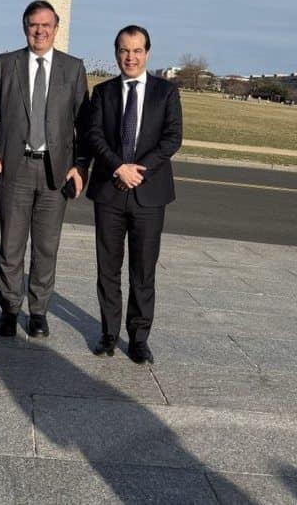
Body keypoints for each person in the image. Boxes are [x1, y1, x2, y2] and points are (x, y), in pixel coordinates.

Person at [0, 0, 90, 339]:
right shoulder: (6, 63)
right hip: (15, 167)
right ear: (24, 27)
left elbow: (84, 123)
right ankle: (10, 308)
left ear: (56, 28)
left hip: (55, 172)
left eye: (46, 25)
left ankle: (38, 311)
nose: (39, 31)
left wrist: (81, 167)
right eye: (33, 25)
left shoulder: (73, 69)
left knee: (46, 246)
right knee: (11, 245)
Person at [87, 25, 182, 364]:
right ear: (116, 53)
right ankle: (109, 334)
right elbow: (93, 135)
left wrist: (138, 169)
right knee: (108, 269)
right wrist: (118, 167)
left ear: (148, 53)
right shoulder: (102, 92)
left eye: (137, 50)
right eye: (124, 50)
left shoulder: (166, 92)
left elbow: (172, 139)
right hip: (110, 192)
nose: (130, 57)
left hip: (149, 193)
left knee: (143, 271)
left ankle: (139, 338)